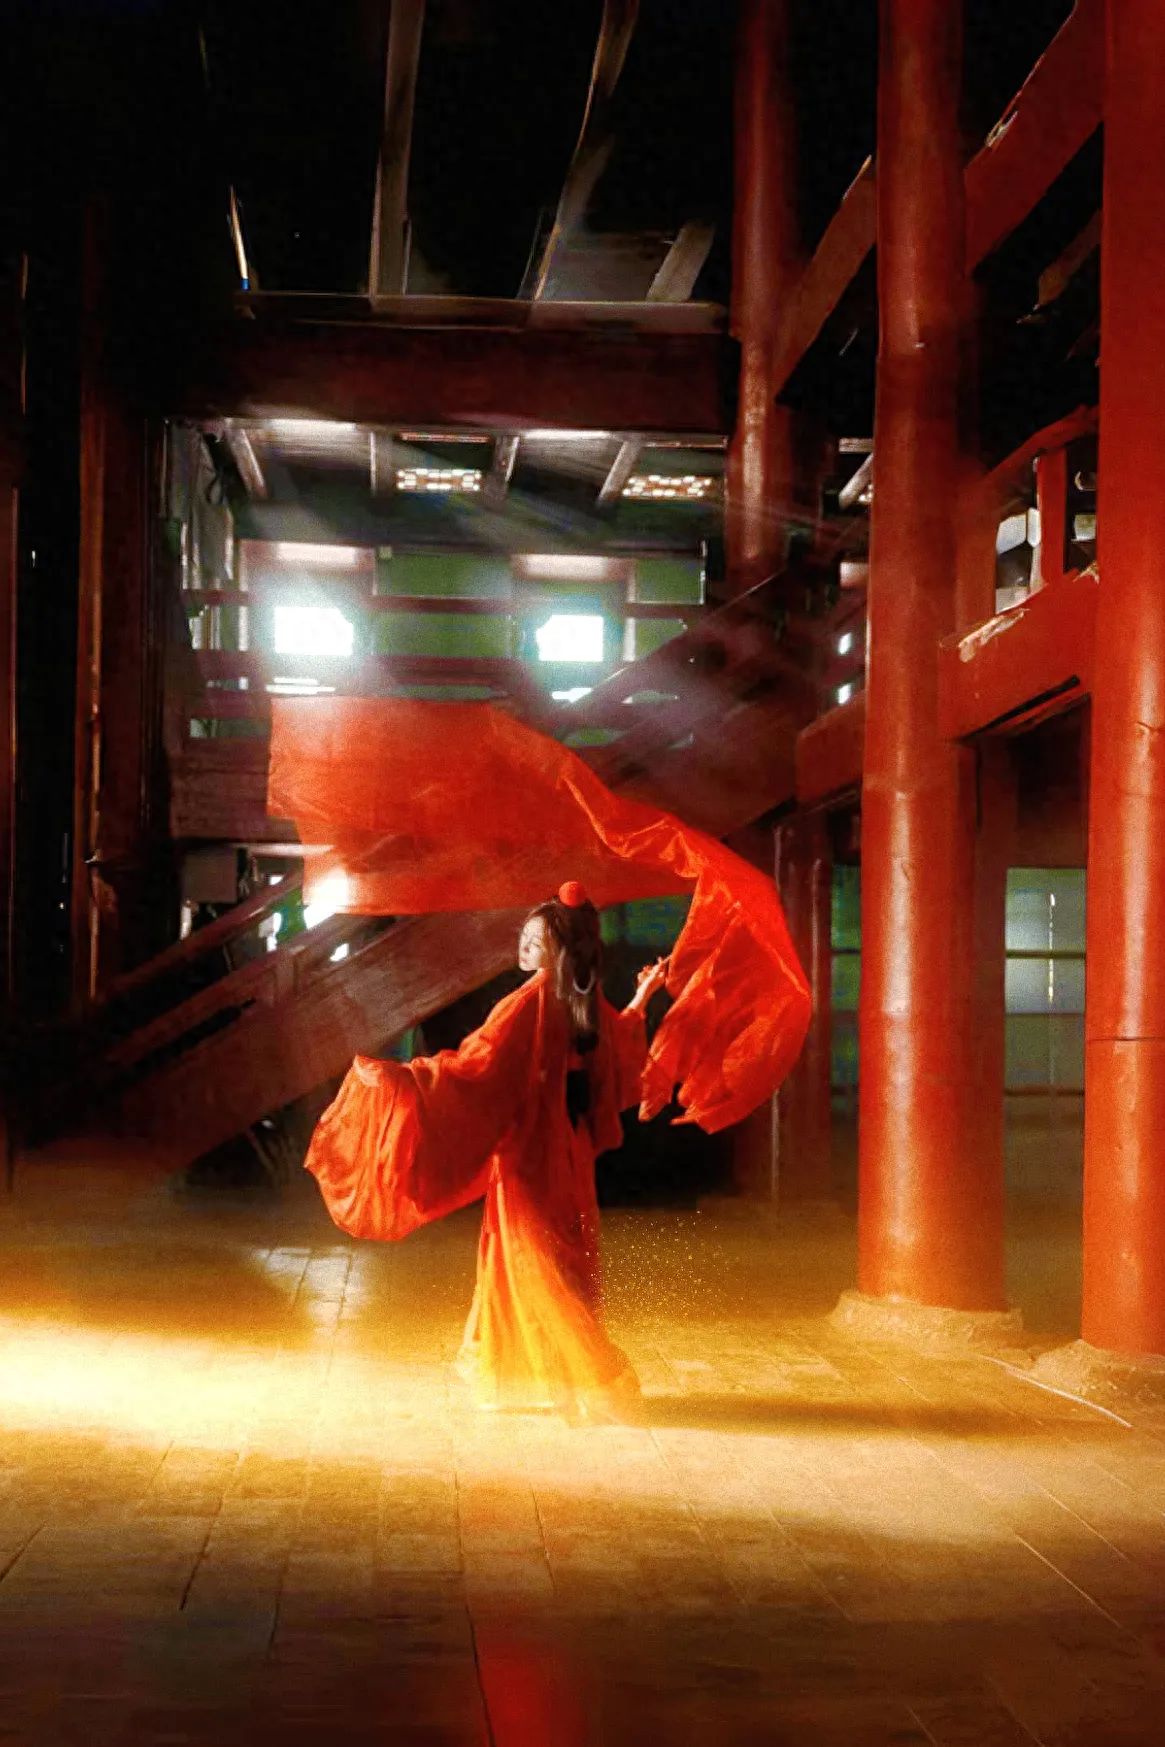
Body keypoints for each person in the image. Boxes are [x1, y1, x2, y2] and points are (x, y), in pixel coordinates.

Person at [303, 880, 668, 1422]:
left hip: (531, 1154)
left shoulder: (529, 1002)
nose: (524, 947)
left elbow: (476, 1067)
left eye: (536, 941)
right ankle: (558, 1379)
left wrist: (408, 1080)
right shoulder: (580, 999)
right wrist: (643, 997)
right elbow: (614, 1044)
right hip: (568, 1153)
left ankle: (593, 1377)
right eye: (526, 937)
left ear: (559, 949)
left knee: (531, 1260)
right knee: (562, 1258)